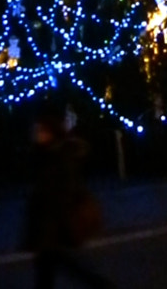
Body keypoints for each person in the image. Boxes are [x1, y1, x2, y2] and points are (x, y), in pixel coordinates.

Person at [21, 111, 111, 289]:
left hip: (53, 229)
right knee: (54, 271)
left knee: (70, 268)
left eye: (41, 130)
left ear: (51, 132)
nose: (37, 133)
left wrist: (60, 225)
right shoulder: (45, 154)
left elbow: (63, 192)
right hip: (47, 228)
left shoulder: (60, 156)